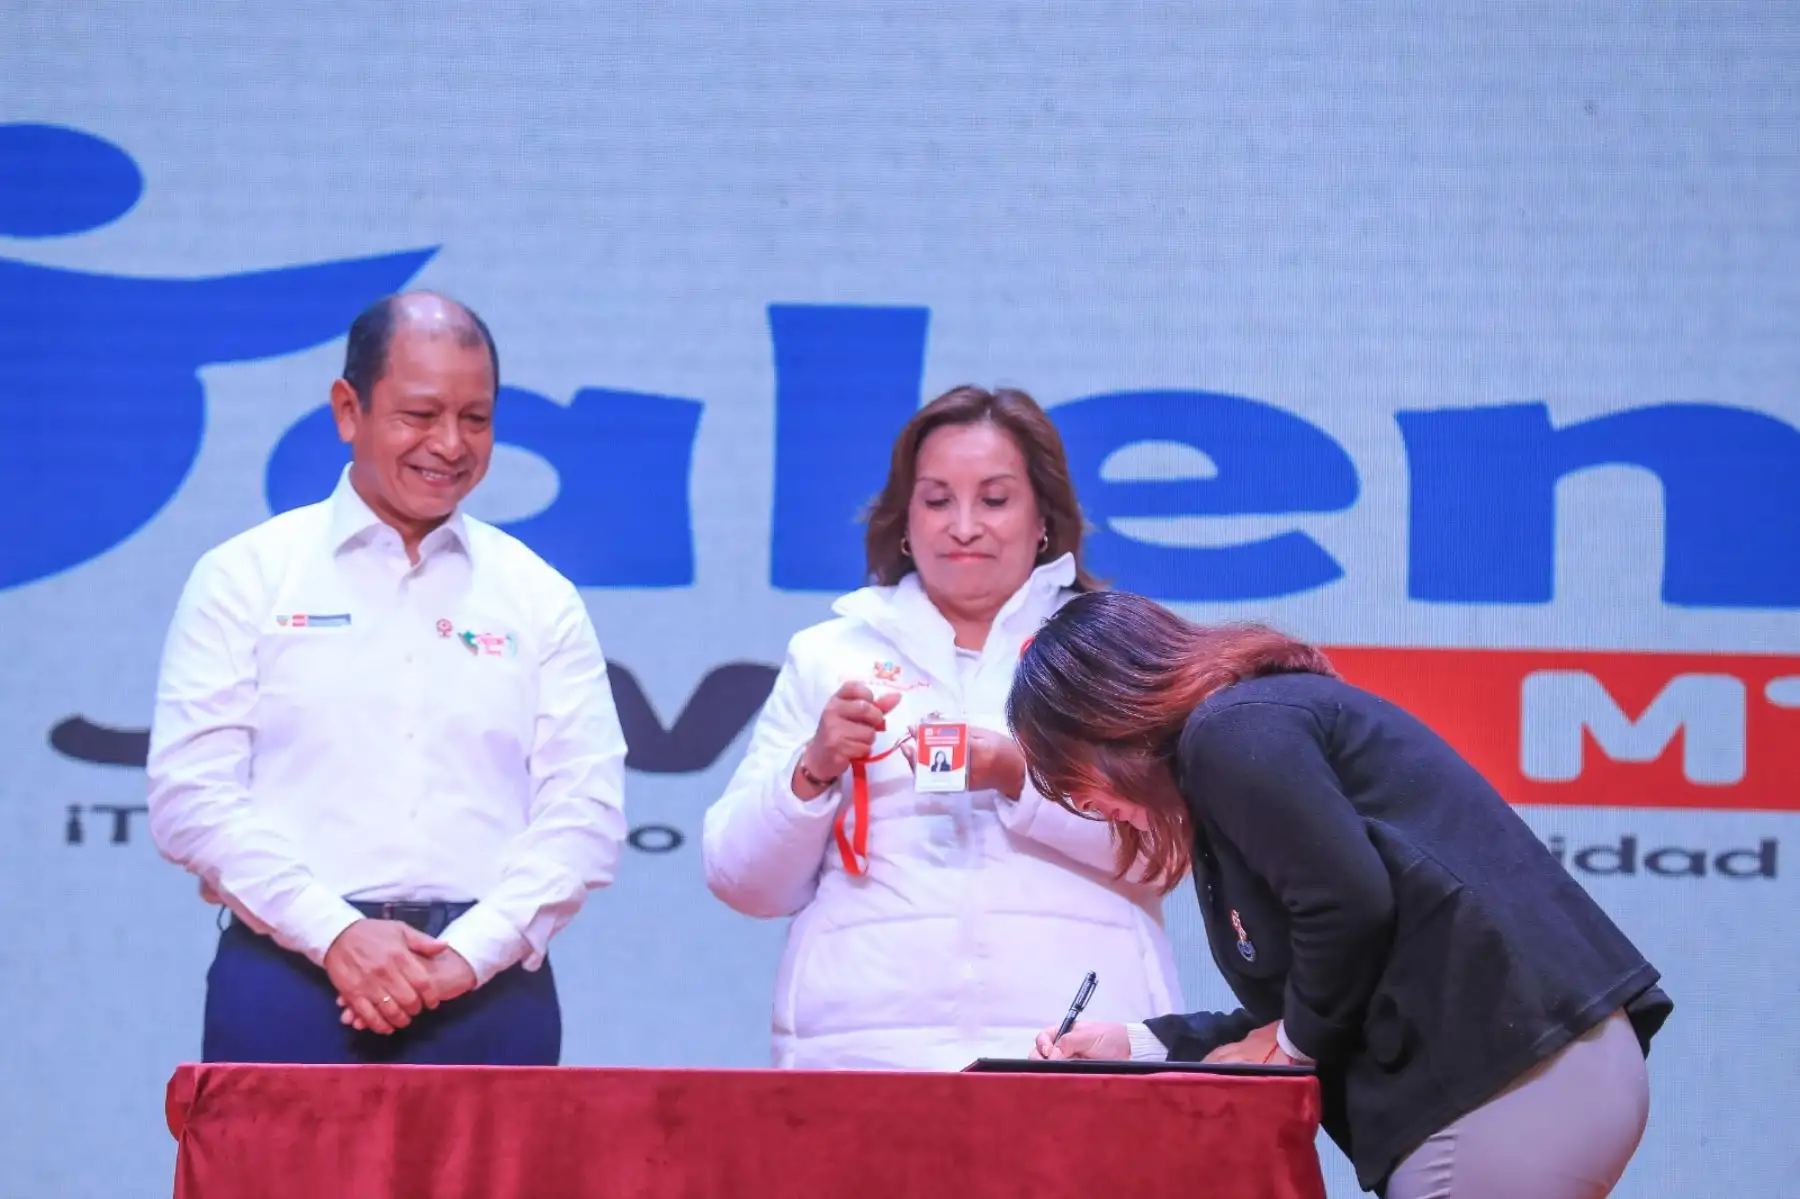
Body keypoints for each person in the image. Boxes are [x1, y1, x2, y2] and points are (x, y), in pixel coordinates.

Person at [1008, 591, 1673, 1199]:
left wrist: (1294, 1045)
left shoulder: (1230, 732)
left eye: (1069, 781)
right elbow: (1323, 995)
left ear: (1106, 721)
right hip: (1526, 1070)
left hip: (1507, 1075)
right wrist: (1141, 1044)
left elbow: (1346, 913)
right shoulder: (1245, 747)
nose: (1086, 806)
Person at [147, 292, 628, 1066]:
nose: (450, 443)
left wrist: (465, 954)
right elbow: (189, 797)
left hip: (487, 991)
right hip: (289, 977)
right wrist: (336, 933)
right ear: (348, 409)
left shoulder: (539, 595)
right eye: (420, 414)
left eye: (476, 418)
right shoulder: (246, 576)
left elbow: (587, 815)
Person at [703, 386, 1184, 1070]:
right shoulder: (827, 655)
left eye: (994, 499)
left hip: (1071, 1053)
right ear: (905, 520)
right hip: (866, 1055)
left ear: (1044, 515)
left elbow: (1166, 850)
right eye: (936, 500)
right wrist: (811, 771)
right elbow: (742, 881)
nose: (964, 525)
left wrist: (1018, 776)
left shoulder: (1113, 647)